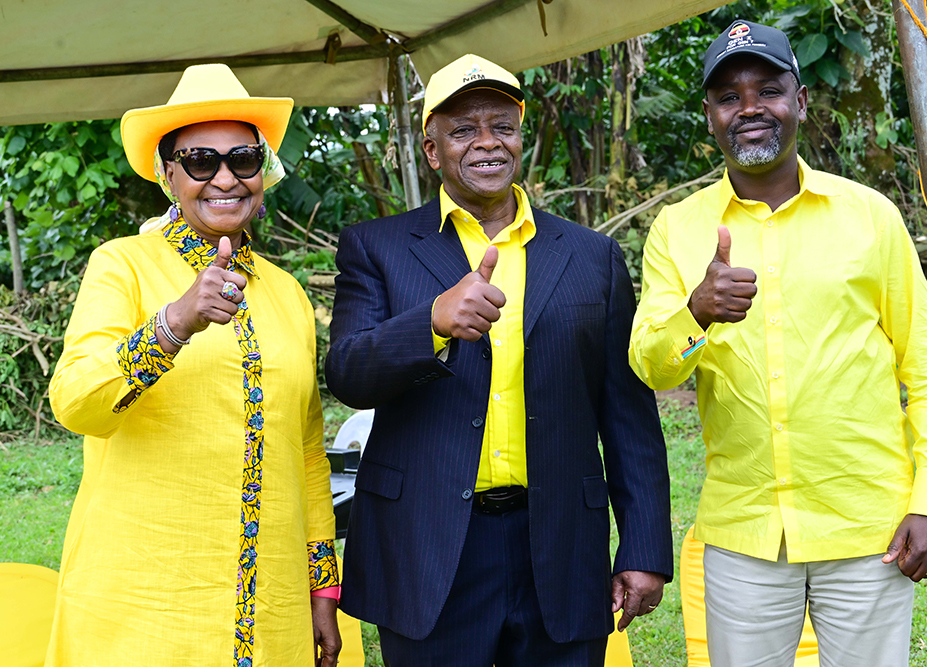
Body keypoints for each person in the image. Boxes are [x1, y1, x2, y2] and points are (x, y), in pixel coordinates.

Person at [629, 20, 927, 667]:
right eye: (728, 96)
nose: (749, 108)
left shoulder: (870, 217)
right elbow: (650, 364)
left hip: (871, 529)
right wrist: (697, 310)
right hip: (744, 535)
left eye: (768, 90)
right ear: (709, 115)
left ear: (801, 100)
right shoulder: (678, 229)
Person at [325, 54, 672, 666]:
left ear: (519, 137)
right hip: (428, 548)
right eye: (463, 130)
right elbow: (349, 373)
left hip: (560, 542)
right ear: (431, 149)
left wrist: (644, 546)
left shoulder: (592, 256)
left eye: (501, 127)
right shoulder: (376, 248)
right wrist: (430, 324)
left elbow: (626, 411)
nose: (486, 144)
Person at [47, 64, 342, 667]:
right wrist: (174, 323)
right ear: (168, 174)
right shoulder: (122, 265)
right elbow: (75, 399)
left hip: (272, 607)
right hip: (144, 607)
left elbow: (308, 450)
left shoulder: (286, 293)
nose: (226, 178)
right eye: (202, 161)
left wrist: (322, 588)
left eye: (244, 159)